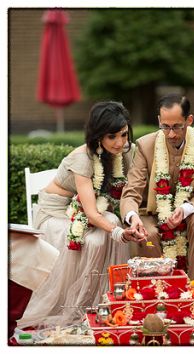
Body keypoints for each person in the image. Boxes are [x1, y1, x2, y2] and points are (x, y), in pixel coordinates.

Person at [17, 101, 142, 328]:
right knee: (94, 239)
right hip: (56, 214)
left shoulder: (125, 152)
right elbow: (93, 214)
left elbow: (129, 193)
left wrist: (132, 221)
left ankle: (109, 301)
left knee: (114, 220)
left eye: (124, 135)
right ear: (98, 136)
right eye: (112, 136)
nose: (120, 142)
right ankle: (79, 306)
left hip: (91, 209)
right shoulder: (82, 158)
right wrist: (119, 233)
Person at [121, 94, 194, 280]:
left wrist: (185, 209)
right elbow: (131, 192)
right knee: (147, 234)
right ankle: (158, 292)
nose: (171, 134)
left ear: (189, 120)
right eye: (165, 127)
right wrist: (132, 217)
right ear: (159, 121)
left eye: (176, 127)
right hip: (151, 213)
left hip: (187, 211)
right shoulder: (145, 145)